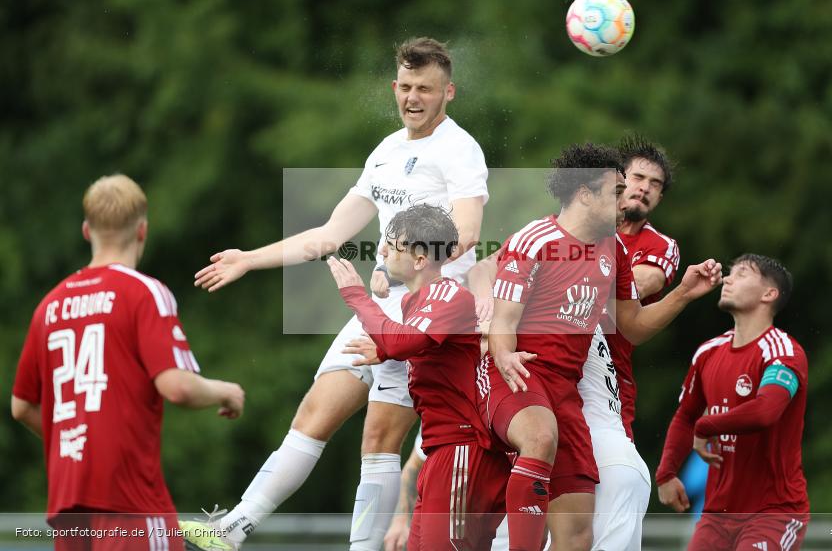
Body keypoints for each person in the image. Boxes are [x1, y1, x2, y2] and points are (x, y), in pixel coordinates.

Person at [185, 38, 489, 551]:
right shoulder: (388, 152)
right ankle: (233, 528)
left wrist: (402, 269)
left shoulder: (460, 150)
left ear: (449, 92)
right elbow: (329, 233)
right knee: (312, 416)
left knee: (378, 440)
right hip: (377, 306)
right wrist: (249, 259)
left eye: (426, 89)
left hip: (426, 316)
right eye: (406, 87)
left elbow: (469, 229)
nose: (413, 98)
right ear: (395, 87)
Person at [481, 143, 722, 551]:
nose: (630, 195)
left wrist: (682, 293)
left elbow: (632, 326)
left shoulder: (620, 253)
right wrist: (501, 352)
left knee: (577, 535)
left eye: (649, 185)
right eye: (620, 188)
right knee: (540, 444)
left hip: (569, 392)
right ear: (585, 193)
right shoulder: (536, 239)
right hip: (520, 375)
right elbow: (501, 316)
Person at [11, 174, 245, 551]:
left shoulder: (49, 306)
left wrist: (79, 440)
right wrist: (227, 392)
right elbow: (178, 386)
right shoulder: (143, 292)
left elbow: (22, 406)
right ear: (142, 230)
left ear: (87, 231)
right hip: (130, 501)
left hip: (69, 502)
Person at [327, 204, 508, 550]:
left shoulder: (448, 293)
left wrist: (356, 297)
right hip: (442, 451)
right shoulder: (419, 303)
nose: (381, 251)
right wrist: (384, 350)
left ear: (421, 259)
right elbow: (424, 347)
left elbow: (403, 341)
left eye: (392, 245)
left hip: (464, 449)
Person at [656, 254, 809, 550]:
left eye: (741, 274)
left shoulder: (783, 351)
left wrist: (707, 424)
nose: (727, 279)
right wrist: (666, 473)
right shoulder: (708, 352)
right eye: (729, 274)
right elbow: (686, 416)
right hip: (717, 515)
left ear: (769, 294)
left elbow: (766, 411)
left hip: (773, 512)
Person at [607, 132, 680, 440]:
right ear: (618, 180)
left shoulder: (660, 246)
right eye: (638, 177)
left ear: (659, 198)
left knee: (612, 475)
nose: (645, 188)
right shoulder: (572, 225)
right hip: (545, 361)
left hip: (608, 372)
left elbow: (632, 284)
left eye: (655, 184)